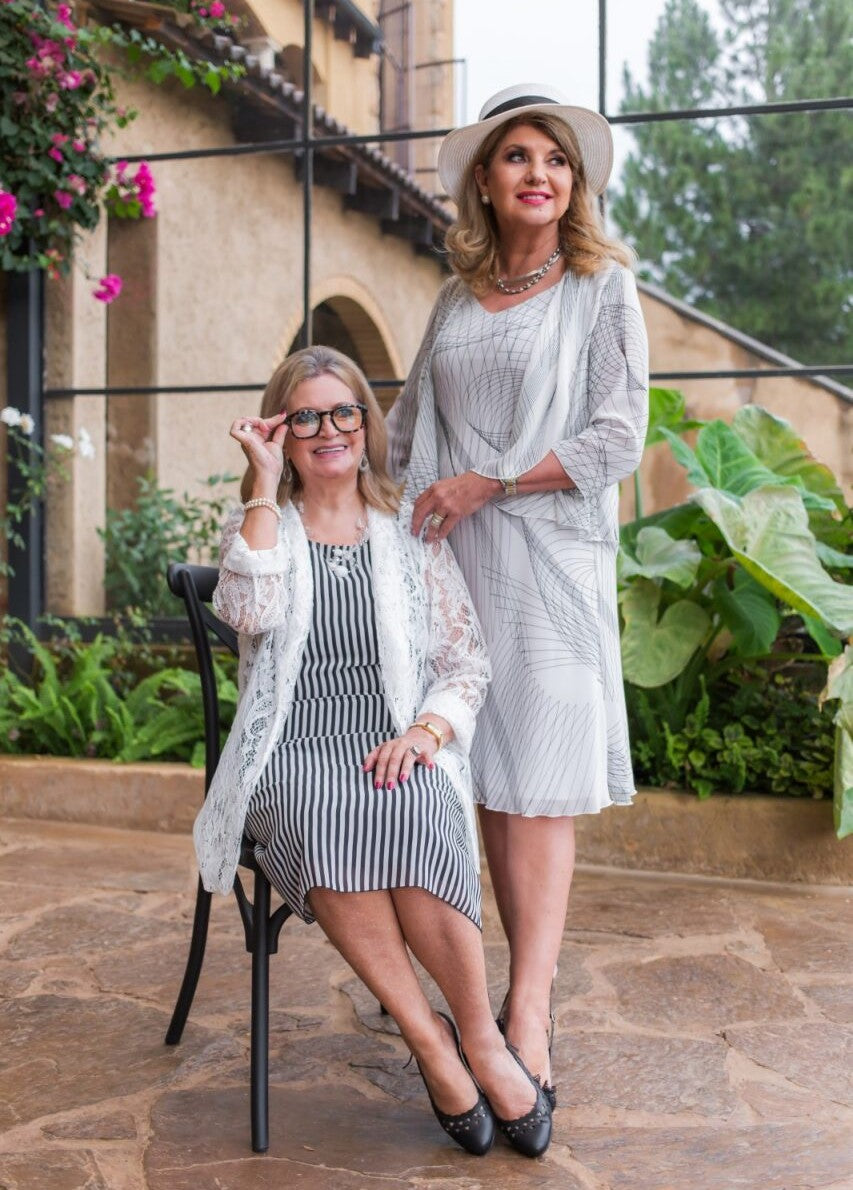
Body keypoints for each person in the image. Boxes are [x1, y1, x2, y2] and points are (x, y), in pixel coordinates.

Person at [192, 345, 553, 1158]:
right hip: (288, 746)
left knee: (419, 803)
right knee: (326, 814)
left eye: (344, 411)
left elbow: (465, 664)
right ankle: (431, 1045)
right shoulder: (263, 526)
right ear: (282, 430)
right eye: (306, 416)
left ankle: (481, 1040)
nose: (329, 430)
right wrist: (257, 480)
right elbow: (247, 614)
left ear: (366, 421)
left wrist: (426, 732)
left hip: (390, 731)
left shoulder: (408, 533)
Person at [387, 83, 649, 1108]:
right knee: (487, 776)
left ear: (572, 185)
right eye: (517, 157)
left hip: (544, 562)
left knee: (537, 783)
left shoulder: (601, 289)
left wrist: (489, 483)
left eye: (555, 159)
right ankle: (496, 983)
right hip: (451, 567)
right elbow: (408, 431)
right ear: (485, 185)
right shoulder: (454, 300)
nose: (538, 172)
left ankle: (528, 1003)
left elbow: (614, 436)